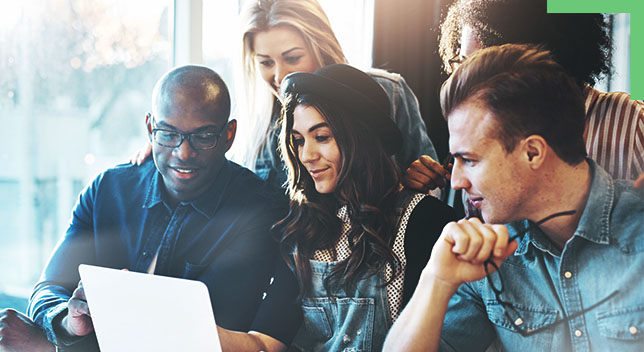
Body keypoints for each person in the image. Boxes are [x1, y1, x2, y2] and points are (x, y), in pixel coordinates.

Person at [0, 65, 285, 352]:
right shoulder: (108, 189)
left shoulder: (258, 210)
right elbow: (48, 288)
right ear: (150, 128)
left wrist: (50, 346)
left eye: (203, 136)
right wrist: (68, 322)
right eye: (168, 134)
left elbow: (200, 338)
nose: (183, 152)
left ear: (228, 135)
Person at [383, 44, 644, 351]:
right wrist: (436, 279)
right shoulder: (490, 254)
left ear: (532, 152)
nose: (455, 181)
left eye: (470, 160)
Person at [216, 64, 456, 351]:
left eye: (322, 137)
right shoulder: (303, 230)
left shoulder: (427, 222)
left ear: (361, 138)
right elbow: (264, 344)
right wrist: (197, 328)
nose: (306, 155)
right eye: (298, 140)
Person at [131, 0, 438, 192]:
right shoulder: (256, 124)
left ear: (321, 47)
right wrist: (172, 139)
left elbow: (432, 181)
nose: (279, 76)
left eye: (292, 58)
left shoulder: (386, 92)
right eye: (265, 62)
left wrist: (419, 181)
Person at [404, 0, 644, 198]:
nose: (467, 83)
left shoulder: (633, 125)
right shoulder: (481, 139)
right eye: (463, 64)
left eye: (480, 67)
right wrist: (421, 197)